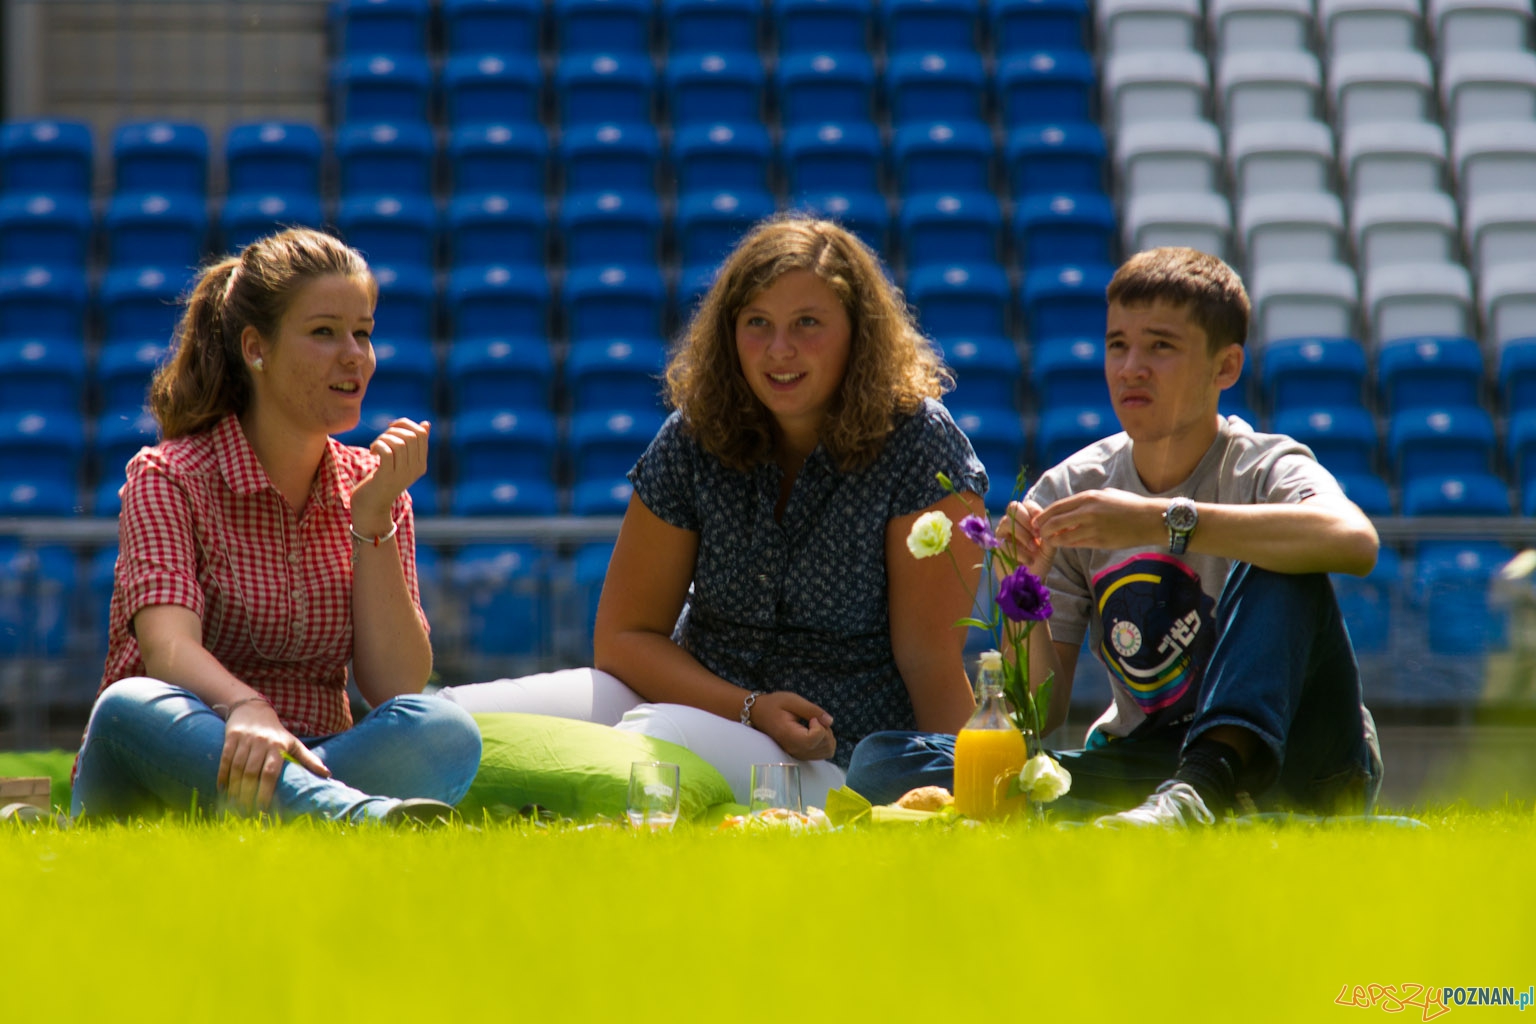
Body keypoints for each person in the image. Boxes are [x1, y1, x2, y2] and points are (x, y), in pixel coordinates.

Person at [438, 215, 987, 806]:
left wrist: (963, 802)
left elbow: (930, 660)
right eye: (758, 324)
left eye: (808, 323)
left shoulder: (920, 443)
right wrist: (749, 708)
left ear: (860, 333)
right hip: (691, 702)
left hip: (836, 756)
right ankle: (345, 797)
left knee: (654, 742)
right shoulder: (694, 436)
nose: (780, 350)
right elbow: (625, 638)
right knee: (447, 723)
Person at [846, 246, 1385, 825]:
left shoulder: (1262, 466)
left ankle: (1213, 797)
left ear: (1225, 368)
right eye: (1117, 345)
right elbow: (1040, 718)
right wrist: (1021, 594)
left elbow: (1354, 539)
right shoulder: (1073, 485)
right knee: (882, 764)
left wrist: (1160, 521)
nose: (1131, 368)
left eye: (1161, 346)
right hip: (1150, 759)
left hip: (1300, 756)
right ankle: (1211, 815)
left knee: (1279, 555)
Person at [71, 227, 482, 825]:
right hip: (173, 758)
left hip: (318, 757)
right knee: (131, 704)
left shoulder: (375, 488)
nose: (354, 355)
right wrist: (247, 707)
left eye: (363, 333)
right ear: (255, 349)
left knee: (446, 729)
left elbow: (396, 683)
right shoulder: (168, 475)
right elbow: (167, 650)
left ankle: (290, 815)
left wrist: (371, 522)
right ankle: (354, 821)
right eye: (324, 332)